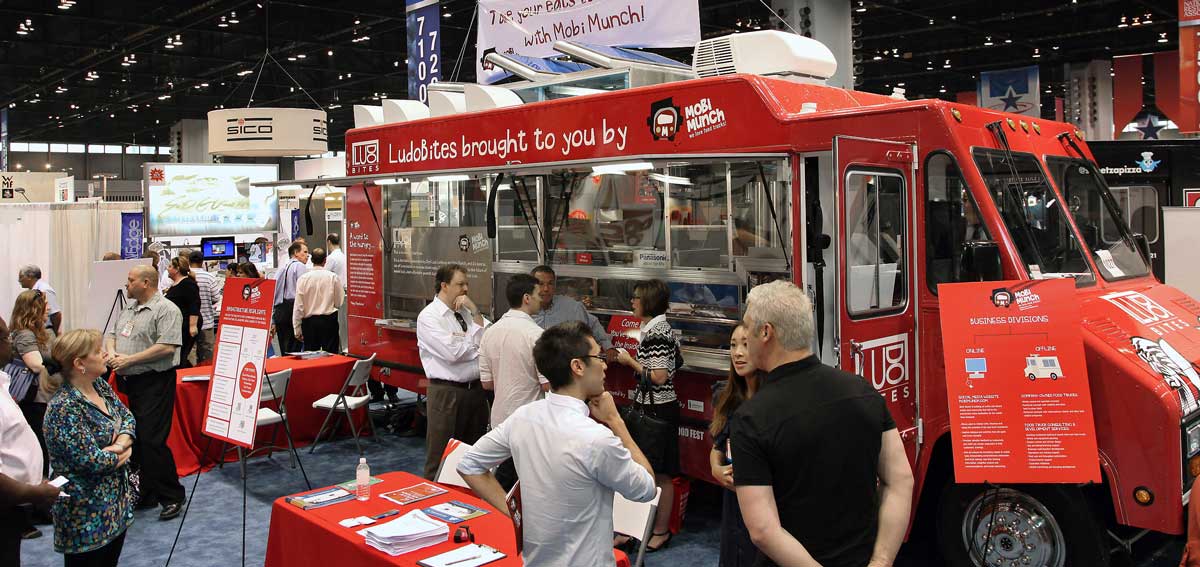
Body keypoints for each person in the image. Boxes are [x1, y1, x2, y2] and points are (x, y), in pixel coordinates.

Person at [732, 280, 913, 567]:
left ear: (766, 332)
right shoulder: (863, 390)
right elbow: (901, 479)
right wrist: (881, 560)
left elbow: (763, 531)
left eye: (747, 327)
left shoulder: (751, 418)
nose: (744, 338)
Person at [458, 321, 657, 567]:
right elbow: (646, 488)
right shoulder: (596, 438)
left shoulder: (524, 417)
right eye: (598, 356)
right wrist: (616, 422)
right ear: (578, 366)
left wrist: (518, 516)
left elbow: (469, 465)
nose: (605, 365)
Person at [45, 329, 136, 567]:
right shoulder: (63, 407)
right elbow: (92, 461)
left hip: (114, 505)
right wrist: (123, 451)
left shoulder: (100, 386)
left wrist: (118, 444)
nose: (104, 354)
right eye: (97, 351)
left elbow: (128, 419)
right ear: (79, 363)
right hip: (84, 513)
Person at [106, 265, 186, 521]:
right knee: (137, 439)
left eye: (131, 280)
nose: (126, 284)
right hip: (130, 382)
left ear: (146, 283)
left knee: (152, 439)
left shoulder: (166, 310)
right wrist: (112, 353)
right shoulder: (129, 308)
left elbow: (166, 347)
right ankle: (147, 491)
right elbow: (111, 334)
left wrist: (129, 360)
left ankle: (172, 495)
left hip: (155, 382)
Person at [614, 278, 681, 552]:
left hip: (658, 409)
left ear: (648, 302)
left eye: (636, 298)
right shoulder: (654, 329)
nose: (632, 302)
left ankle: (660, 531)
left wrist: (629, 361)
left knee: (660, 474)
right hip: (654, 407)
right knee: (643, 470)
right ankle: (635, 528)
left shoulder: (657, 333)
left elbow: (658, 376)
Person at [416, 264, 490, 480]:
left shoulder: (467, 312)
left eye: (467, 283)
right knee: (440, 455)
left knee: (472, 453)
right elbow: (454, 353)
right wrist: (477, 343)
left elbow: (489, 336)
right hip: (446, 393)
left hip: (475, 391)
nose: (465, 288)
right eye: (460, 284)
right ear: (444, 286)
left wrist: (475, 311)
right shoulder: (429, 317)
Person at [0, 315, 61, 566]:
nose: (12, 343)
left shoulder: (3, 381)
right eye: (7, 337)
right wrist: (33, 491)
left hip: (13, 506)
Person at [478, 274, 545, 489]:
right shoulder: (537, 335)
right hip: (530, 425)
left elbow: (487, 383)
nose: (540, 299)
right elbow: (546, 384)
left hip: (500, 420)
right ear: (526, 298)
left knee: (504, 484)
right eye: (537, 294)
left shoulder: (490, 332)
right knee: (526, 488)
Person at [710, 325, 762, 567]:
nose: (738, 353)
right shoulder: (727, 395)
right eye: (733, 345)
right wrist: (716, 469)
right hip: (733, 501)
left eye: (745, 344)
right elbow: (717, 446)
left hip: (765, 499)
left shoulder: (774, 398)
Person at [9, 289, 57, 540]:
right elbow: (36, 364)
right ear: (34, 309)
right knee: (36, 453)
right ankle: (34, 509)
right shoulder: (26, 335)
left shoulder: (36, 333)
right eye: (45, 305)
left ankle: (38, 507)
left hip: (38, 399)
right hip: (31, 400)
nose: (49, 308)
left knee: (40, 452)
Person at [529, 266, 616, 360]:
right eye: (541, 284)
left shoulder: (572, 307)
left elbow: (593, 323)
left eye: (550, 283)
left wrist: (608, 346)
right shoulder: (524, 311)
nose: (546, 289)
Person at [293, 248, 343, 353]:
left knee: (310, 357)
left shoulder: (303, 279)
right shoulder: (333, 277)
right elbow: (339, 302)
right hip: (329, 321)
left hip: (309, 323)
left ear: (311, 261)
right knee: (331, 356)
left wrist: (297, 328)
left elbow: (298, 306)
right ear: (325, 261)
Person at [272, 241, 309, 354]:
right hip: (293, 309)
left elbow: (274, 291)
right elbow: (304, 290)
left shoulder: (281, 268)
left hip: (280, 311)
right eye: (305, 252)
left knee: (284, 348)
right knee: (295, 348)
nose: (307, 255)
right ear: (296, 253)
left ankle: (285, 371)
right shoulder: (300, 266)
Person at [164, 257, 201, 368]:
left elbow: (195, 304)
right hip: (179, 323)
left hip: (187, 324)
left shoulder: (188, 283)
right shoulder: (176, 284)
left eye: (170, 266)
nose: (167, 268)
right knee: (180, 354)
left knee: (182, 353)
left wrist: (193, 325)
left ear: (177, 269)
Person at [188, 251, 221, 365]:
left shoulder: (184, 276)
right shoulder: (209, 277)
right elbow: (216, 297)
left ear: (189, 261)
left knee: (190, 353)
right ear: (202, 262)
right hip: (206, 322)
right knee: (207, 355)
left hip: (188, 323)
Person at [17, 265, 61, 335]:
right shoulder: (32, 291)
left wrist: (55, 332)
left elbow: (56, 314)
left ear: (30, 277)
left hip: (45, 332)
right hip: (35, 331)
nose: (19, 280)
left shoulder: (44, 290)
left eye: (21, 277)